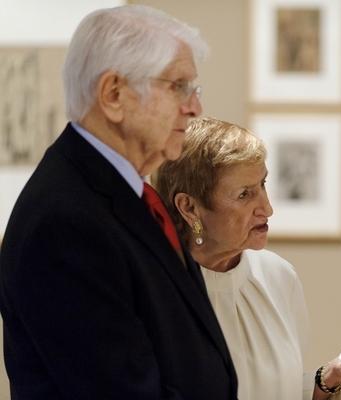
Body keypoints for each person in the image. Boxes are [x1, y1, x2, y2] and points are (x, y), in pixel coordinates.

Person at [0, 6, 237, 399]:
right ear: (113, 95)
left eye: (194, 89)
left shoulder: (129, 194)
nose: (195, 107)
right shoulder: (65, 223)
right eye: (178, 86)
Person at [155, 117, 341, 400]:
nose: (267, 208)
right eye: (245, 194)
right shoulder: (158, 289)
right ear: (189, 207)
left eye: (263, 184)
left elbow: (285, 390)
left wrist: (332, 376)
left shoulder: (278, 275)